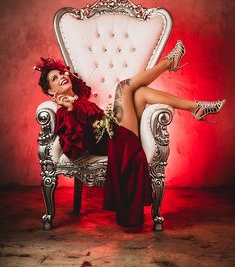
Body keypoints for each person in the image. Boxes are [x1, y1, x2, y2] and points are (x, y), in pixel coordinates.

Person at [34, 40, 225, 227]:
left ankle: (196, 107)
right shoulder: (62, 112)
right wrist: (69, 110)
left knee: (140, 93)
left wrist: (83, 107)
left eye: (60, 73)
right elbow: (75, 150)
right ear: (51, 92)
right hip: (111, 143)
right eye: (54, 79)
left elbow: (96, 119)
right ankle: (171, 66)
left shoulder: (80, 98)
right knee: (124, 86)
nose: (61, 77)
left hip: (114, 135)